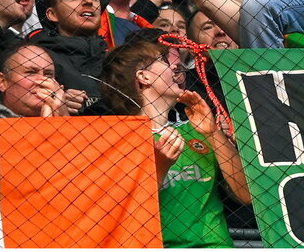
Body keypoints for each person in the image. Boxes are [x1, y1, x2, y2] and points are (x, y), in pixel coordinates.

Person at [100, 39, 251, 248]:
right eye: (164, 60)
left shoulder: (196, 130)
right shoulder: (119, 139)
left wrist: (213, 133)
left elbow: (246, 195)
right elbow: (122, 211)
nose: (176, 66)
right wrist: (161, 166)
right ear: (144, 77)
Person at [0, 43, 66, 118]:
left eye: (48, 74)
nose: (42, 81)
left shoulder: (71, 120)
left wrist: (64, 119)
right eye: (31, 73)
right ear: (2, 82)